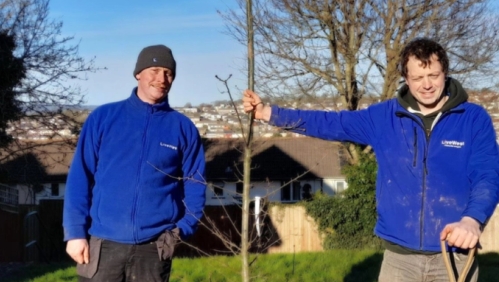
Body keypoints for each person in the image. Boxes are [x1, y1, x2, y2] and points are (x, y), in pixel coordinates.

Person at [243, 38, 499, 281]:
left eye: (433, 75)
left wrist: (472, 220)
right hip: (399, 260)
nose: (427, 84)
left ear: (445, 72)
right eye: (418, 77)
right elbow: (330, 123)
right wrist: (268, 113)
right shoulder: (385, 117)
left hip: (454, 256)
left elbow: (488, 175)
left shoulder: (473, 119)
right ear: (406, 79)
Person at [63, 44, 207, 282]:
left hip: (155, 247)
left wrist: (183, 229)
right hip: (103, 244)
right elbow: (80, 177)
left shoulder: (183, 128)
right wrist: (75, 233)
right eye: (155, 70)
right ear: (138, 73)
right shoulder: (104, 118)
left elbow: (196, 183)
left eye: (168, 73)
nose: (161, 78)